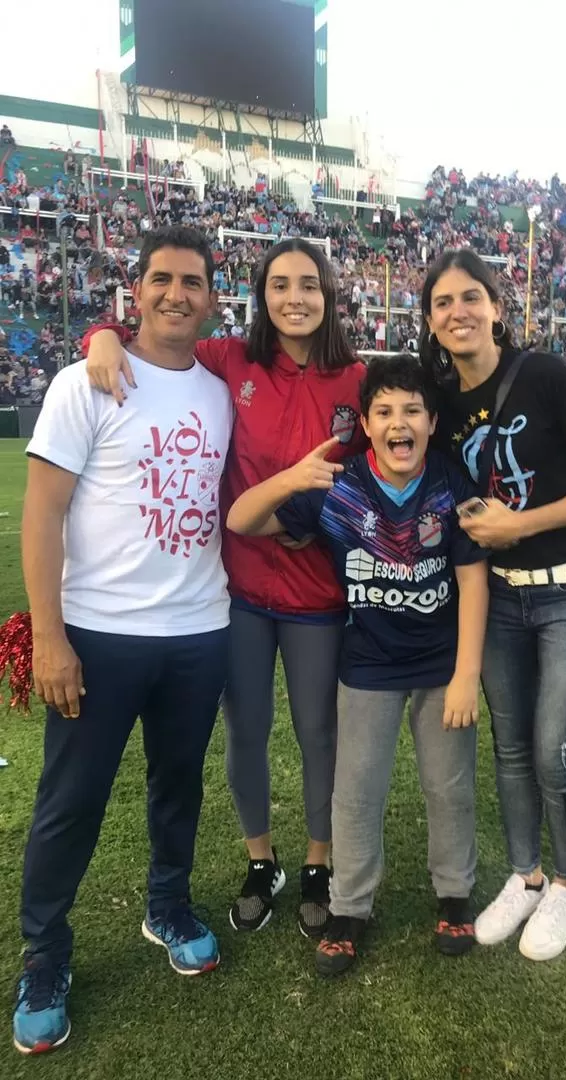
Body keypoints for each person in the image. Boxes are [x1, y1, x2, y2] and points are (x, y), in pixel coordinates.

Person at [84, 238, 366, 939]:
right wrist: (104, 336)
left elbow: (375, 473)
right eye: (279, 285)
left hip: (317, 596)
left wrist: (327, 527)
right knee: (246, 732)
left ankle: (316, 863)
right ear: (260, 296)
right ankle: (261, 860)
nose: (294, 298)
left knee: (318, 733)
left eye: (308, 284)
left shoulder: (358, 378)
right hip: (236, 589)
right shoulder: (231, 359)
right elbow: (160, 340)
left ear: (328, 295)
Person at [13, 226, 233, 1056]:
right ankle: (45, 952)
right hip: (99, 635)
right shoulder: (85, 380)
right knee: (71, 802)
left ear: (213, 298)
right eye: (161, 279)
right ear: (134, 291)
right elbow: (43, 514)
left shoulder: (216, 389)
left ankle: (167, 906)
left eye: (193, 282)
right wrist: (50, 635)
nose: (177, 293)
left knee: (178, 788)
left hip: (198, 629)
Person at [227, 354, 489, 976]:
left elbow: (472, 579)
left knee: (448, 788)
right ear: (366, 425)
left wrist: (466, 675)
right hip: (367, 665)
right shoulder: (339, 484)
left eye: (413, 411)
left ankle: (453, 893)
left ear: (430, 422)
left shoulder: (450, 482)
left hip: (438, 666)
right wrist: (294, 478)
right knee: (356, 793)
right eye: (385, 412)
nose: (400, 424)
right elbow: (242, 520)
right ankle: (348, 907)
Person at [422, 250, 566, 962]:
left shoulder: (545, 375)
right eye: (444, 301)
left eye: (471, 297)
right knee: (510, 750)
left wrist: (519, 525)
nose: (459, 311)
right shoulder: (442, 397)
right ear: (430, 320)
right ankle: (526, 874)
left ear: (498, 308)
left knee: (554, 754)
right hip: (501, 600)